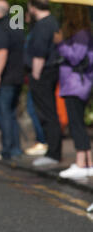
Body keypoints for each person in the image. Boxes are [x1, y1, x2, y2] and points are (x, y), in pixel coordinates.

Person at [54, 4, 93, 179]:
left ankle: (82, 162)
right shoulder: (81, 33)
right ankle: (87, 162)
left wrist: (60, 44)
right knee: (77, 124)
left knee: (76, 124)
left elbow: (76, 57)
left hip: (77, 84)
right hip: (74, 83)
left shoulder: (82, 34)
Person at [0, 0, 24, 161]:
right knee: (11, 114)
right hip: (17, 76)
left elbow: (2, 52)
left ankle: (7, 150)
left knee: (4, 114)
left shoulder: (1, 28)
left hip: (5, 78)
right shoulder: (16, 26)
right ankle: (15, 148)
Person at [27, 0, 62, 167]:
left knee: (47, 114)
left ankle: (53, 153)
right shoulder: (53, 21)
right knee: (50, 112)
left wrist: (35, 75)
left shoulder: (42, 26)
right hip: (50, 72)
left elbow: (39, 54)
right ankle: (53, 151)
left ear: (33, 6)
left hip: (42, 74)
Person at [24, 11, 48, 156]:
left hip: (37, 76)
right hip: (32, 75)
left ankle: (42, 141)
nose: (25, 15)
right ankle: (41, 140)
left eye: (27, 13)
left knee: (35, 109)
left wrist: (35, 75)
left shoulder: (37, 31)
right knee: (33, 109)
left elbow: (39, 53)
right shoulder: (31, 31)